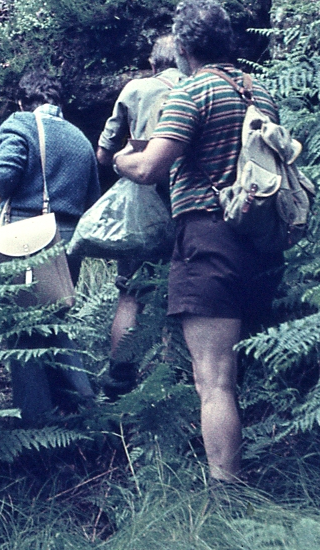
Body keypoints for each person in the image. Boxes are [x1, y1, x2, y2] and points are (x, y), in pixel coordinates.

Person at [114, 0, 283, 483]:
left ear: (184, 48)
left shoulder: (194, 93)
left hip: (209, 238)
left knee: (213, 380)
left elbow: (148, 169)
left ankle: (226, 493)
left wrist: (123, 159)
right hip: (260, 239)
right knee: (237, 374)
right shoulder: (260, 93)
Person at [0, 69, 100, 423]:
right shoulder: (81, 139)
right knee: (53, 321)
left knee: (23, 328)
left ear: (24, 102)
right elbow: (92, 197)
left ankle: (39, 416)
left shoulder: (19, 123)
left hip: (27, 235)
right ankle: (73, 406)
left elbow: (7, 174)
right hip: (67, 237)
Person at [96, 35, 183, 396]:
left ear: (153, 64)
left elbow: (104, 153)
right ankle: (173, 381)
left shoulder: (136, 89)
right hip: (186, 201)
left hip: (144, 205)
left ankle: (119, 378)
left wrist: (126, 156)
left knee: (131, 292)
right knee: (179, 291)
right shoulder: (198, 86)